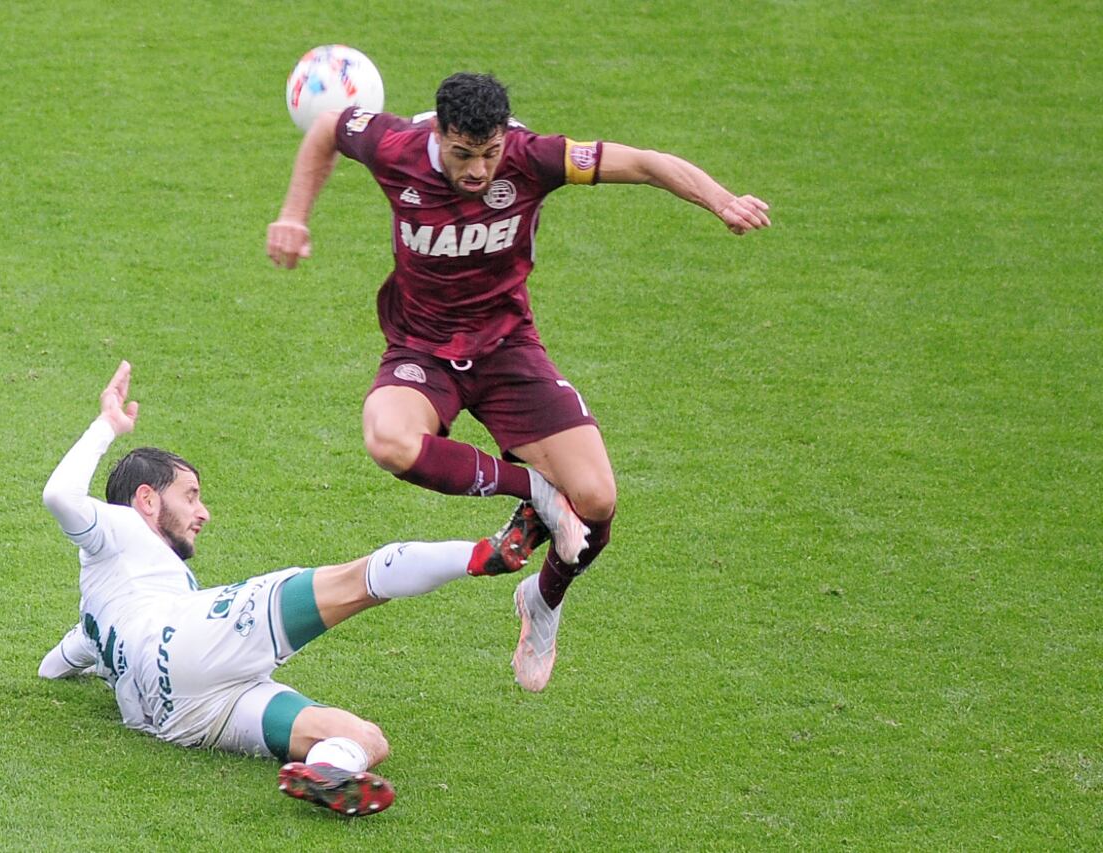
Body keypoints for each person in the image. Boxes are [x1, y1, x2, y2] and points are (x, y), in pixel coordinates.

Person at [265, 72, 771, 692]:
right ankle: (535, 492)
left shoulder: (534, 158)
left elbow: (642, 162)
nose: (478, 171)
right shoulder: (396, 145)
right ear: (438, 135)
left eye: (489, 153)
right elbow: (325, 127)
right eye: (462, 155)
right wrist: (293, 216)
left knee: (599, 501)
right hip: (422, 350)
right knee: (388, 441)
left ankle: (542, 603)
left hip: (508, 350)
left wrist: (720, 200)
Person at [38, 361, 529, 817]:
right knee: (355, 582)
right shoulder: (121, 526)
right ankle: (488, 551)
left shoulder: (100, 609)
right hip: (181, 643)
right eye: (190, 496)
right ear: (145, 499)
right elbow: (59, 496)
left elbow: (59, 661)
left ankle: (330, 770)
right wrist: (108, 424)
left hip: (177, 716)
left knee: (364, 737)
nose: (202, 512)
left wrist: (65, 670)